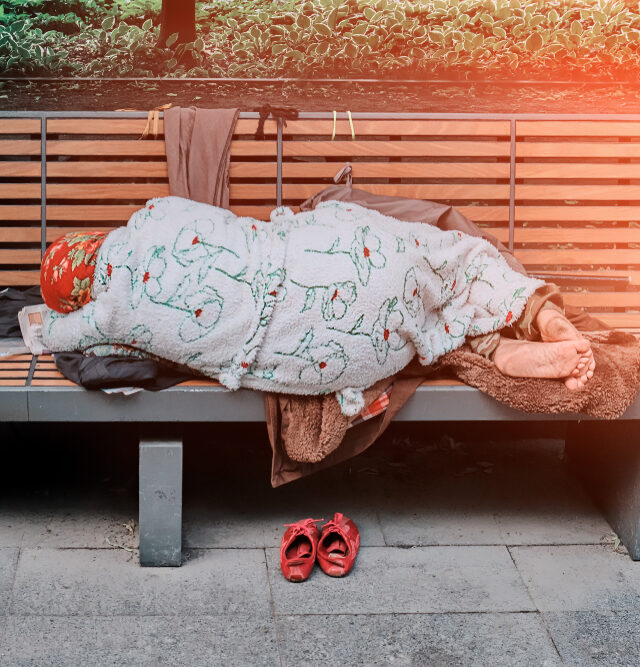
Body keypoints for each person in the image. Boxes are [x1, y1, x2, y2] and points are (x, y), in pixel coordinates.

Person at [39, 197, 595, 411]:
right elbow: (216, 223)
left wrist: (73, 318)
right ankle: (535, 317)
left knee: (421, 330)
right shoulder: (155, 217)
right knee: (457, 258)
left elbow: (54, 334)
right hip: (340, 259)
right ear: (91, 243)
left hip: (341, 354)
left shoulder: (107, 315)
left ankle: (489, 347)